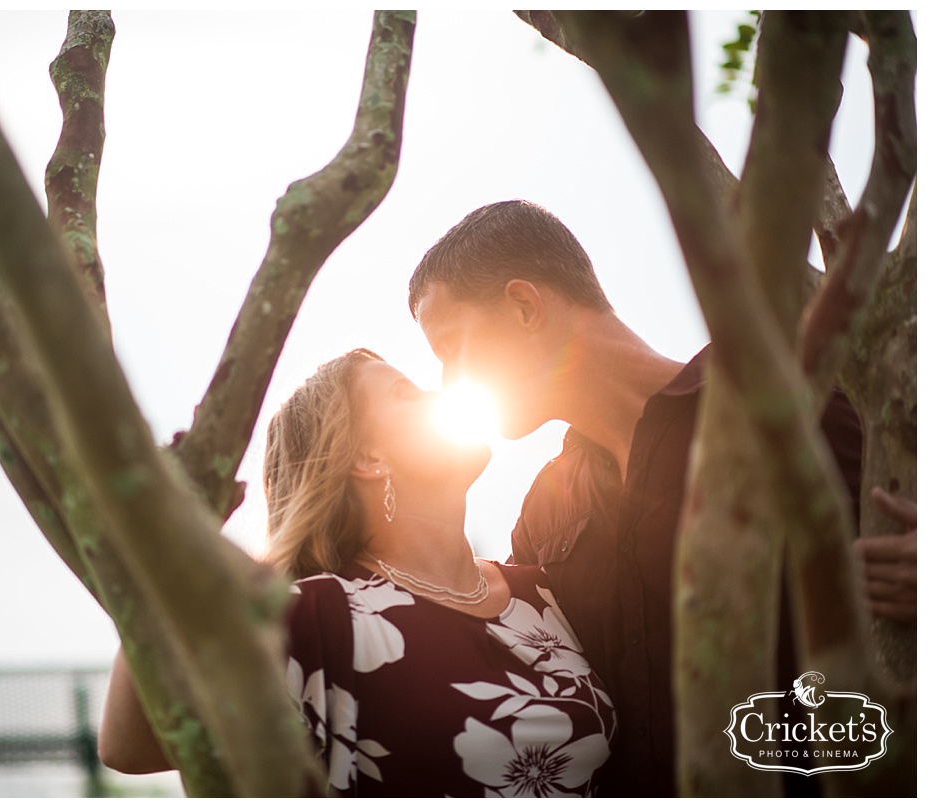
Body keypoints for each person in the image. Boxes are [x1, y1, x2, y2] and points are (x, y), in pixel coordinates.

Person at [407, 199, 916, 797]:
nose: (447, 383)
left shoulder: (787, 403)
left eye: (451, 349)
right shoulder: (543, 512)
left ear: (524, 306)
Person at [99, 349, 616, 797]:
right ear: (369, 457)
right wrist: (165, 546)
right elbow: (131, 746)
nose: (441, 394)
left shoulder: (541, 590)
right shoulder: (318, 616)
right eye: (407, 394)